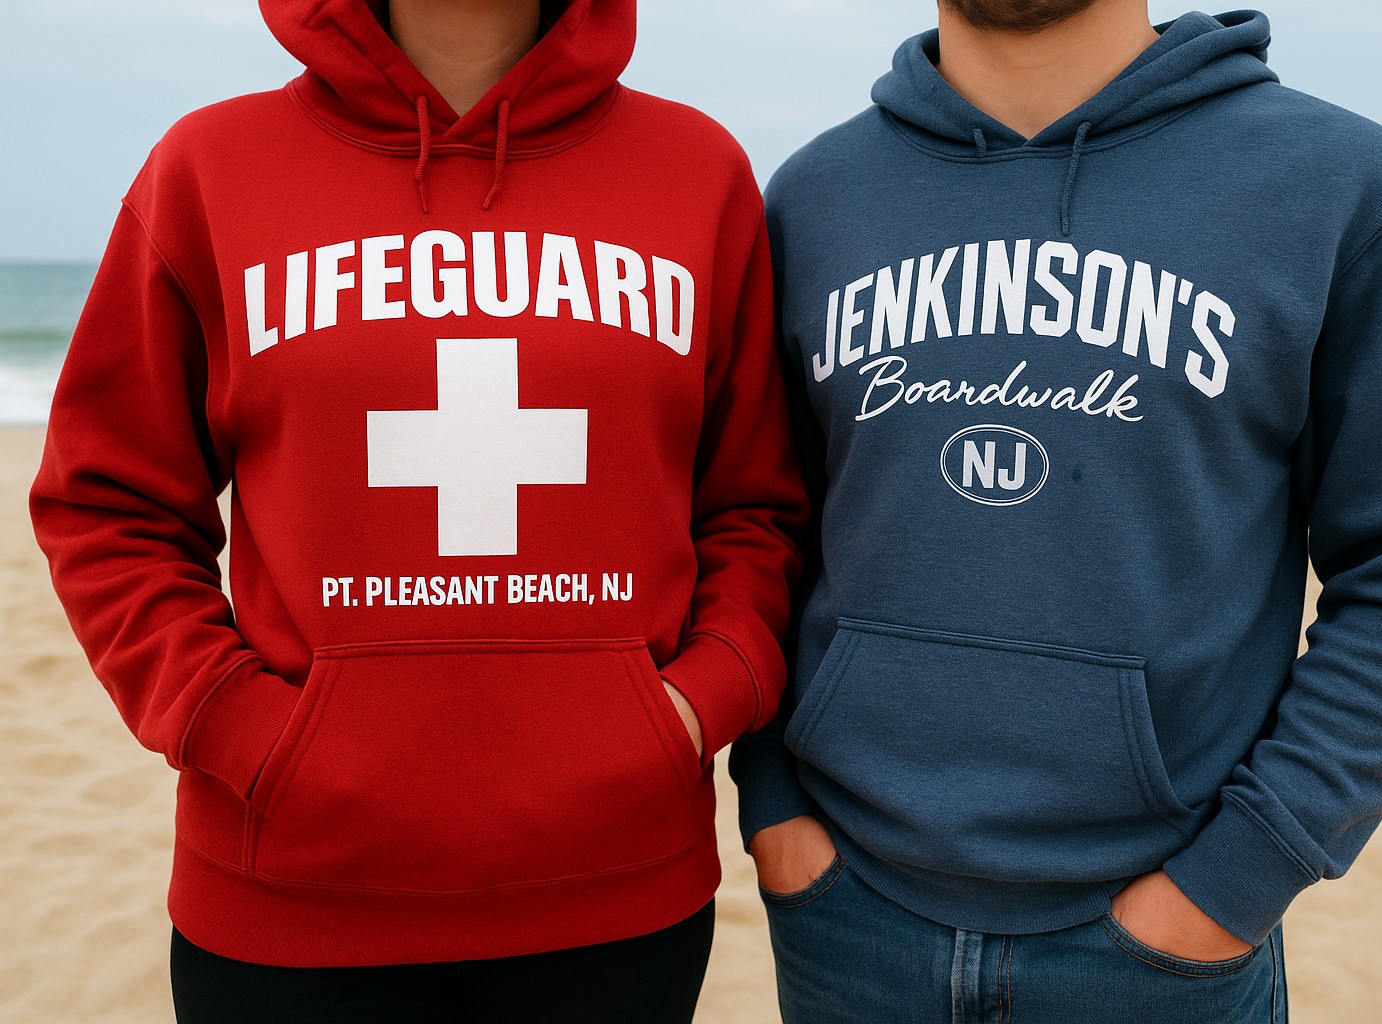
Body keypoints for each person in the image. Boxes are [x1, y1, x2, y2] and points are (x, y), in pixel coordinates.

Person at [30, 0, 806, 1020]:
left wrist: (695, 703)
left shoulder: (697, 171)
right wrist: (238, 724)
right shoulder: (211, 167)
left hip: (618, 899)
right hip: (286, 902)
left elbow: (754, 505)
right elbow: (109, 498)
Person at [730, 1, 1382, 1020]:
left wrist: (1234, 881)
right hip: (846, 916)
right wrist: (774, 804)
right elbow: (765, 528)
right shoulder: (817, 196)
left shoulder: (1337, 184)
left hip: (1160, 945)